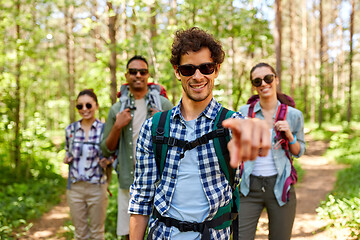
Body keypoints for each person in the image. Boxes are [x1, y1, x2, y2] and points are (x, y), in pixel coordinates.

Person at [128, 27, 271, 240]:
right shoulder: (153, 127)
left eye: (206, 67)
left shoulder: (232, 125)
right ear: (177, 71)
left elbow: (253, 136)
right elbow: (141, 199)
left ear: (216, 70)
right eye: (188, 69)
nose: (197, 76)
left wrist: (258, 133)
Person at [100, 55, 173, 239]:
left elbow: (181, 141)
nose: (138, 75)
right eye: (133, 72)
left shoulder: (163, 105)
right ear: (126, 76)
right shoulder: (117, 109)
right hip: (129, 182)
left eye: (143, 71)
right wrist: (117, 126)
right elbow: (105, 149)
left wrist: (163, 122)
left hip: (160, 182)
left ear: (148, 75)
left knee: (161, 231)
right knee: (130, 234)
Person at [238, 62, 306, 240]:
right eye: (257, 81)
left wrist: (289, 135)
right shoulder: (244, 113)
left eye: (268, 78)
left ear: (276, 79)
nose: (263, 84)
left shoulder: (293, 115)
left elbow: (299, 151)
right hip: (248, 187)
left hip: (281, 186)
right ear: (253, 86)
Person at [64, 89, 111, 240]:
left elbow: (113, 155)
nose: (84, 109)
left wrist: (107, 161)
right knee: (80, 233)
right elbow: (68, 152)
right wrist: (67, 158)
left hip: (97, 187)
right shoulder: (70, 130)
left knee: (97, 233)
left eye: (88, 105)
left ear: (96, 106)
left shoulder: (105, 130)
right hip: (75, 188)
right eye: (80, 106)